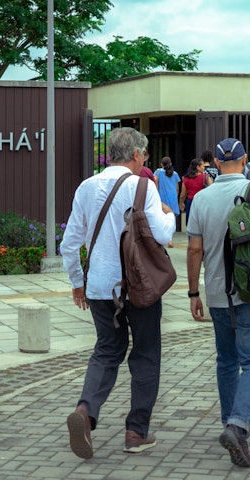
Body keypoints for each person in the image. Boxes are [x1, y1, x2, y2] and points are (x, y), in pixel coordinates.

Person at [60, 127, 176, 459]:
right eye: (145, 155)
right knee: (146, 353)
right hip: (140, 286)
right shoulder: (144, 186)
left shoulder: (86, 187)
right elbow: (160, 233)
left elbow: (70, 243)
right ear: (137, 154)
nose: (145, 160)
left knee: (107, 351)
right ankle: (135, 432)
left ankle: (85, 411)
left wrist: (77, 282)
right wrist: (169, 215)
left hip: (98, 286)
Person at [186, 137, 250, 468]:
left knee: (226, 360)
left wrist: (193, 293)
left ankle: (230, 422)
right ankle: (238, 424)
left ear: (215, 161)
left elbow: (194, 249)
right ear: (244, 162)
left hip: (216, 294)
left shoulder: (200, 198)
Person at [177, 157, 211, 232]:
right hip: (203, 202)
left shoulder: (186, 179)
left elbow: (183, 194)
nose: (203, 168)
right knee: (203, 225)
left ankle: (191, 242)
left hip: (191, 202)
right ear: (197, 167)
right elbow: (212, 189)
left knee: (190, 225)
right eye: (202, 166)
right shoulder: (205, 177)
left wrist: (181, 203)